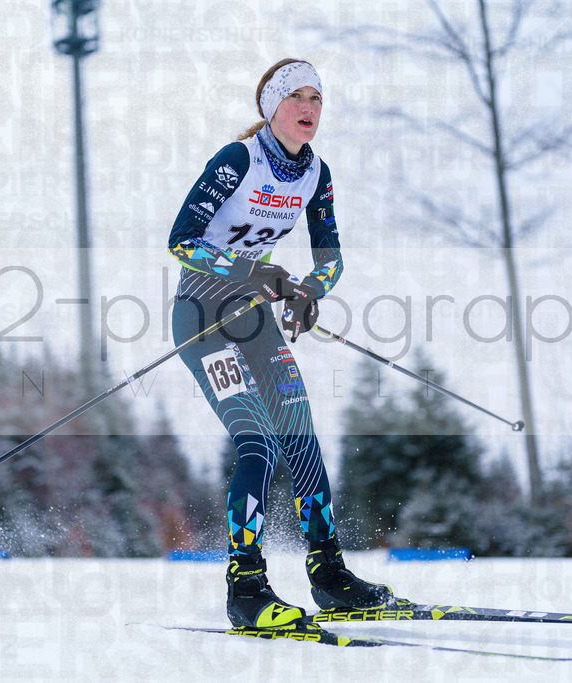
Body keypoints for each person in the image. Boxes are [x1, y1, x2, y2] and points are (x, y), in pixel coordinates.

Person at [167, 58, 393, 629]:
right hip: (202, 316)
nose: (310, 109)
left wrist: (308, 291)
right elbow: (181, 240)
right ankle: (246, 589)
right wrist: (248, 271)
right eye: (299, 97)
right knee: (258, 440)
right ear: (273, 107)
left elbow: (331, 256)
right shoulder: (238, 159)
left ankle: (330, 574)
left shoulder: (317, 174)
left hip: (255, 318)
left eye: (318, 99)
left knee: (301, 435)